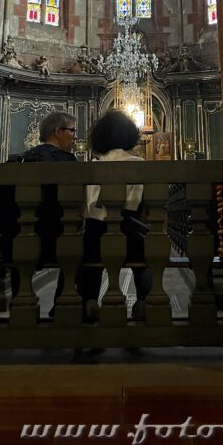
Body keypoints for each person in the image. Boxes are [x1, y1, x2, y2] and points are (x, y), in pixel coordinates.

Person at [79, 110, 152, 322]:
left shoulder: (92, 166)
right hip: (130, 233)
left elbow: (85, 208)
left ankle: (90, 300)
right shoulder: (140, 164)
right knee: (148, 255)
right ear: (130, 135)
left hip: (95, 236)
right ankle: (143, 301)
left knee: (88, 257)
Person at [3, 112, 78, 313]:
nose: (74, 136)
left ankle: (21, 306)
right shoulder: (67, 162)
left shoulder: (19, 160)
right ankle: (61, 305)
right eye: (72, 131)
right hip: (57, 237)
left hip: (17, 239)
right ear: (57, 132)